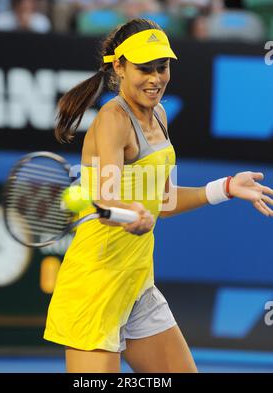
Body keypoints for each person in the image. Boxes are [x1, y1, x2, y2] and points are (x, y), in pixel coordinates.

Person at [43, 18, 273, 373]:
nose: (155, 79)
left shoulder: (160, 114)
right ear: (119, 68)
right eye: (144, 69)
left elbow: (163, 201)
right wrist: (130, 216)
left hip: (137, 284)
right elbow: (104, 200)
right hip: (96, 286)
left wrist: (225, 187)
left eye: (162, 67)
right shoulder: (112, 120)